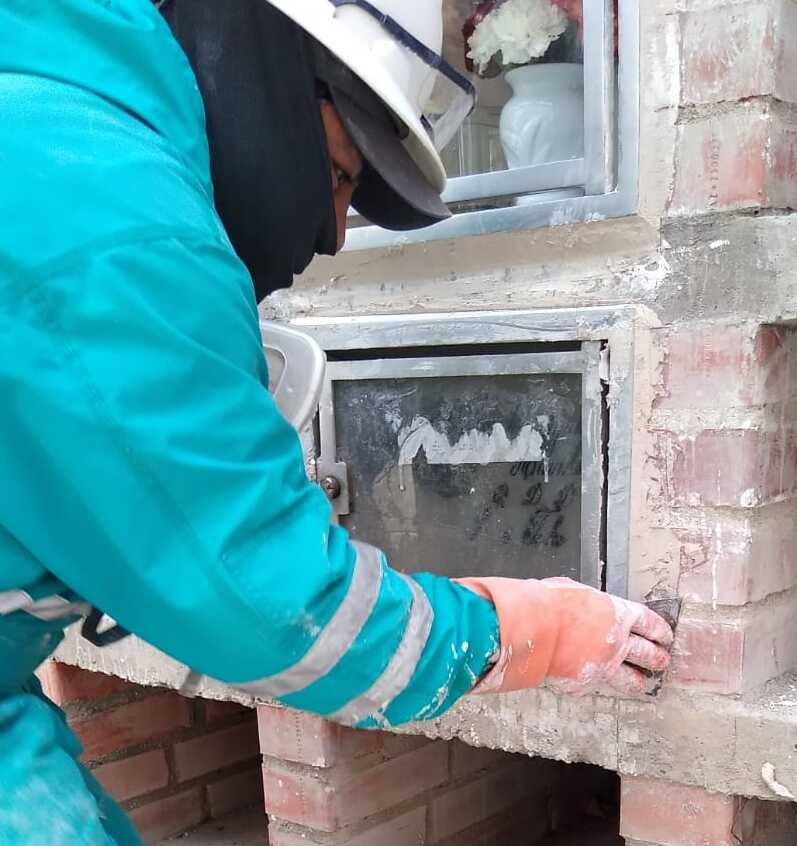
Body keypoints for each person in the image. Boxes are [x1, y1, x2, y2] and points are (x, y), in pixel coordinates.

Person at [0, 1, 673, 843]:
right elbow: (277, 610)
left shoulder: (47, 122)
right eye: (341, 174)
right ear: (269, 71)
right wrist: (536, 627)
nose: (333, 234)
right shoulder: (115, 219)